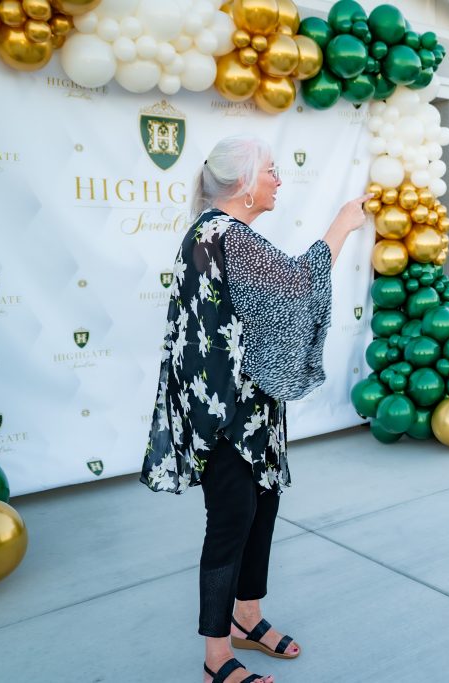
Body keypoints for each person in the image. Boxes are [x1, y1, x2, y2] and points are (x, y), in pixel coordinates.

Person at [140, 135, 370, 683]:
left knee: (261, 505)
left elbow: (263, 309)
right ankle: (216, 655)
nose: (277, 180)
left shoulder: (219, 233)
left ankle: (248, 616)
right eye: (270, 170)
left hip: (244, 402)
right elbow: (295, 288)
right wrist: (342, 223)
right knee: (232, 519)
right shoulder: (227, 234)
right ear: (244, 184)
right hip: (223, 409)